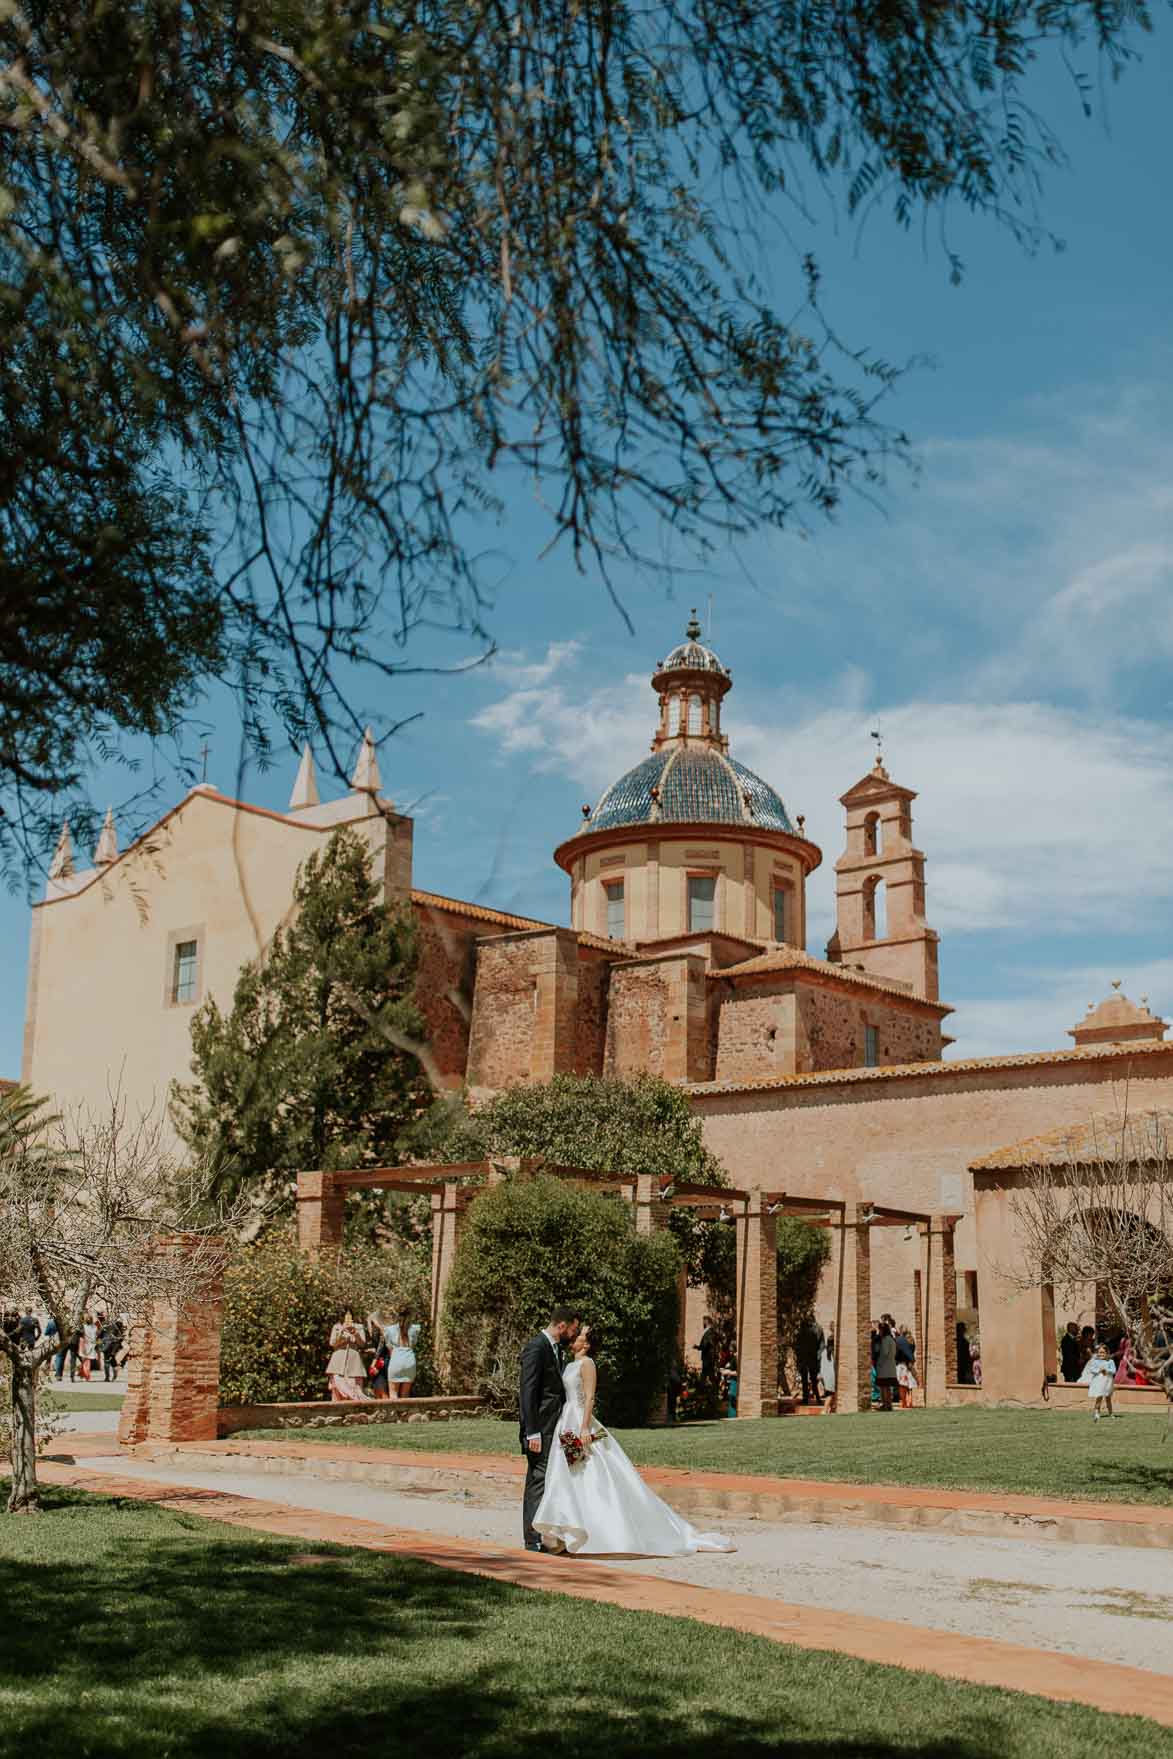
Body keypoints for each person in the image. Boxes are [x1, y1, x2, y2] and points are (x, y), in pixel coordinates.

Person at [533, 1323, 735, 1557]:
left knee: (586, 1471)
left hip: (579, 1421)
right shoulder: (570, 1364)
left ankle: (595, 1533)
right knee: (568, 1476)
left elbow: (589, 1398)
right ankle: (566, 1533)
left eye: (580, 1336)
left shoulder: (587, 1364)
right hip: (566, 1420)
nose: (575, 1337)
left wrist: (585, 1427)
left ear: (586, 1344)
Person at [519, 1305, 582, 1551]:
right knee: (537, 1481)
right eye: (573, 1330)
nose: (573, 1335)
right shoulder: (537, 1347)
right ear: (562, 1326)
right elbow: (527, 1392)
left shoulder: (557, 1349)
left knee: (551, 1481)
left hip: (557, 1427)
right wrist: (532, 1431)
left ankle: (549, 1537)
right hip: (540, 1430)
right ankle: (532, 1540)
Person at [325, 1308, 371, 1402]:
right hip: (338, 1362)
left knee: (355, 1389)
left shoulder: (359, 1327)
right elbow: (332, 1343)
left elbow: (362, 1344)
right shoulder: (337, 1327)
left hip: (354, 1363)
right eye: (346, 1314)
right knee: (337, 1389)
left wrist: (355, 1333)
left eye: (350, 1314)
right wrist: (341, 1333)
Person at [386, 1308, 421, 1400]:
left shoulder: (390, 1330)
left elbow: (389, 1347)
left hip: (396, 1358)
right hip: (409, 1359)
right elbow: (414, 1343)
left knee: (393, 1393)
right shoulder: (414, 1329)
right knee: (405, 1394)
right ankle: (405, 1413)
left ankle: (394, 1413)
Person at [1081, 1339, 1118, 1420]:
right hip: (1099, 1382)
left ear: (1107, 1353)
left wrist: (1107, 1371)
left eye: (1103, 1352)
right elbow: (1092, 1370)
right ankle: (1097, 1412)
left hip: (1107, 1382)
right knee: (1099, 1397)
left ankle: (1111, 1413)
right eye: (1100, 1352)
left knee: (1108, 1398)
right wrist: (1099, 1370)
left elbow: (1114, 1371)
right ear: (1097, 1353)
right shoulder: (1095, 1361)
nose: (1101, 1354)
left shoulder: (1110, 1361)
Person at [795, 1313, 824, 1405]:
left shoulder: (814, 1329)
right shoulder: (806, 1329)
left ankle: (812, 1398)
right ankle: (813, 1398)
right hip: (809, 1357)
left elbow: (798, 1344)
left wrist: (818, 1355)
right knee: (810, 1379)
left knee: (811, 1379)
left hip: (810, 1357)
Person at [874, 1319, 898, 1410]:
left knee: (883, 1387)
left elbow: (884, 1353)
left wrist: (878, 1354)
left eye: (880, 1330)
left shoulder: (885, 1340)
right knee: (887, 1387)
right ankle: (889, 1404)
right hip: (891, 1366)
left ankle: (885, 1404)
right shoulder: (892, 1339)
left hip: (884, 1367)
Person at [366, 1311, 390, 1399]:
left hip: (382, 1363)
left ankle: (388, 1411)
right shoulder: (382, 1332)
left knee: (381, 1389)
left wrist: (373, 1364)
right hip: (382, 1361)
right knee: (378, 1389)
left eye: (371, 1323)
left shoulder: (383, 1332)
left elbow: (381, 1348)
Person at [99, 1315, 123, 1382]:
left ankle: (109, 1377)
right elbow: (100, 1335)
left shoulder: (106, 1325)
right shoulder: (116, 1324)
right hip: (110, 1346)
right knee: (110, 1360)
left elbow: (99, 1335)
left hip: (110, 1345)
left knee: (109, 1361)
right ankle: (109, 1377)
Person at [696, 1315, 718, 1387]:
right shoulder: (712, 1331)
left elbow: (705, 1345)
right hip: (709, 1357)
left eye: (703, 1321)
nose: (703, 1323)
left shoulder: (709, 1332)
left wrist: (698, 1347)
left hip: (708, 1357)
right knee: (706, 1374)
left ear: (706, 1321)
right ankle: (703, 1389)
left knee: (708, 1374)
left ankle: (705, 1389)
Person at [819, 1328, 836, 1404]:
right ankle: (824, 1410)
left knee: (830, 1394)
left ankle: (829, 1410)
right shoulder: (833, 1353)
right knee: (830, 1395)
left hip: (824, 1376)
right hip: (831, 1376)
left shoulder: (824, 1352)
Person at [955, 1321, 974, 1385]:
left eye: (962, 1330)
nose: (962, 1332)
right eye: (960, 1330)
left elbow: (967, 1355)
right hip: (957, 1365)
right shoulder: (955, 1341)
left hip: (963, 1365)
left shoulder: (965, 1342)